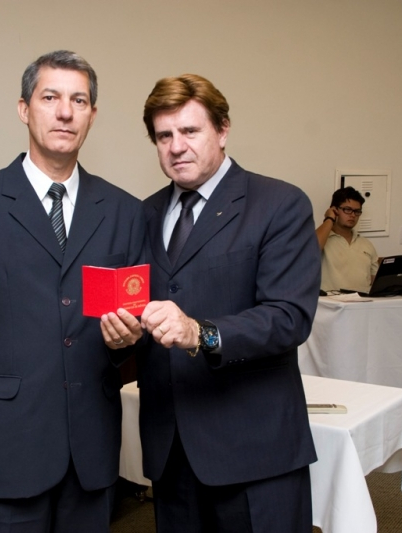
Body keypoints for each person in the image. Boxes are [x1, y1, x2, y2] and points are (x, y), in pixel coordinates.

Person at [0, 50, 145, 533]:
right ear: (24, 109)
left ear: (92, 115)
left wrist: (127, 341)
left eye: (78, 101)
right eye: (50, 97)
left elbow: (130, 324)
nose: (65, 112)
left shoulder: (124, 211)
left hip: (91, 444)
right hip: (6, 441)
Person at [135, 73, 320, 532]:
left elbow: (289, 317)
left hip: (253, 448)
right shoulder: (143, 214)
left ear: (222, 130)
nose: (177, 147)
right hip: (171, 449)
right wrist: (120, 335)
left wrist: (199, 332)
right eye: (164, 136)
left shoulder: (279, 204)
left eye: (190, 131)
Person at [316, 186, 379, 293]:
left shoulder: (366, 244)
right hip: (331, 300)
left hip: (363, 300)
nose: (353, 215)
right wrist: (329, 218)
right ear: (334, 210)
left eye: (357, 211)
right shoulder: (323, 239)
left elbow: (376, 281)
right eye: (347, 210)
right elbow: (311, 250)